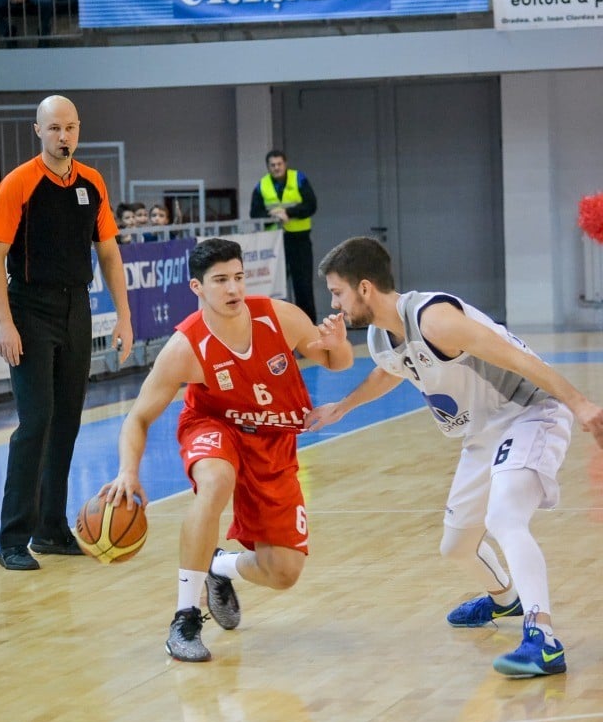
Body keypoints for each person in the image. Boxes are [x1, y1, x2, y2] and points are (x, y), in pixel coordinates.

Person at [305, 236, 603, 678]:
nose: (334, 303)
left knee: (504, 518)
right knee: (457, 545)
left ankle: (543, 639)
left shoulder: (435, 319)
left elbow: (518, 359)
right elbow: (390, 371)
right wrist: (342, 408)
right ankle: (506, 600)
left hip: (529, 413)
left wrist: (579, 404)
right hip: (481, 434)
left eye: (337, 292)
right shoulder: (380, 336)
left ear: (364, 288)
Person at [103, 236, 352, 662]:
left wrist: (340, 343)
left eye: (238, 277)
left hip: (272, 441)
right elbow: (138, 417)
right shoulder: (185, 347)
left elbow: (335, 362)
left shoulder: (279, 317)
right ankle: (184, 616)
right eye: (220, 281)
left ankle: (217, 566)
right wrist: (128, 470)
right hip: (214, 427)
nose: (234, 289)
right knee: (215, 481)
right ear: (197, 288)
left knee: (284, 573)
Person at [0, 95, 133, 572]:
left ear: (78, 130)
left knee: (67, 420)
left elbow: (108, 252)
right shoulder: (18, 184)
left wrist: (124, 316)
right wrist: (4, 323)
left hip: (76, 307)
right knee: (36, 422)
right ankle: (13, 538)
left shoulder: (92, 182)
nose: (62, 136)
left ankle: (50, 529)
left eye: (69, 128)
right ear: (37, 131)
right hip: (29, 308)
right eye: (53, 128)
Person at [250, 149, 318, 324]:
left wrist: (289, 212)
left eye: (279, 164)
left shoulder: (299, 179)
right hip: (274, 244)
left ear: (285, 164)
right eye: (272, 165)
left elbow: (311, 205)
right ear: (268, 167)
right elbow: (254, 213)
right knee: (275, 289)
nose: (276, 168)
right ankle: (279, 330)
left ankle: (308, 328)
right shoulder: (262, 185)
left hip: (299, 241)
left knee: (303, 287)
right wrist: (272, 214)